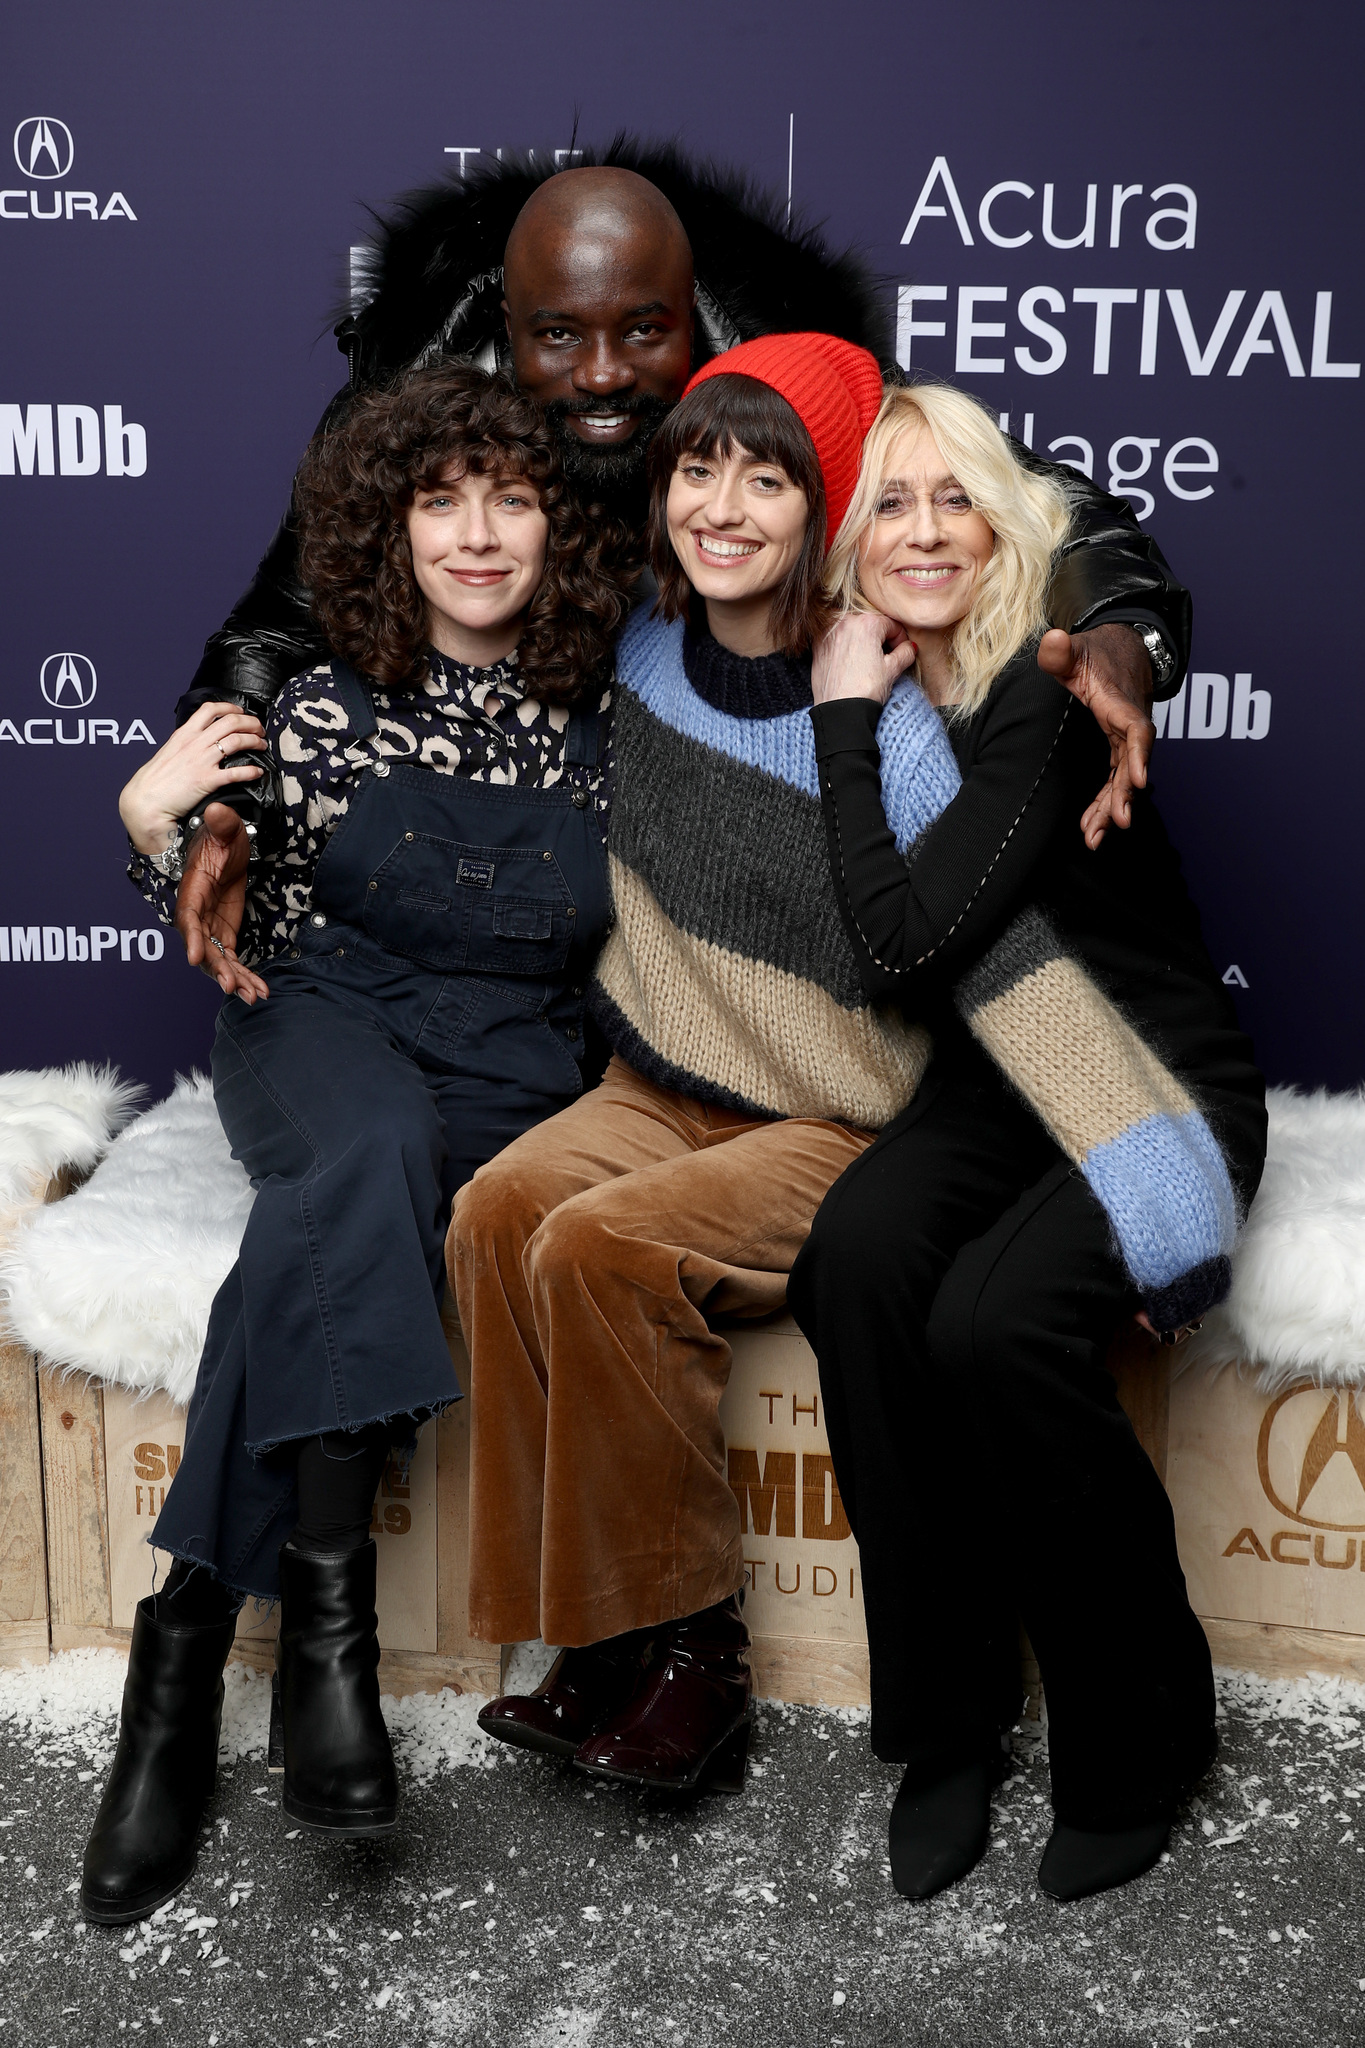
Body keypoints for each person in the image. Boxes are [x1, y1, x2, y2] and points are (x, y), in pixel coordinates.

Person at [449, 334, 1221, 1801]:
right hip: (653, 1083)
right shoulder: (632, 653)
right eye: (697, 466)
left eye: (769, 477)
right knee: (498, 1212)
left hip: (831, 1124)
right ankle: (587, 1636)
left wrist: (1162, 1200)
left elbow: (1020, 990)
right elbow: (412, 586)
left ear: (832, 514)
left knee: (602, 1249)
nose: (722, 506)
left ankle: (690, 1656)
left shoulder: (887, 725)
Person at [81, 364, 628, 1925]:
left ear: (556, 527)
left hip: (515, 1050)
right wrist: (148, 826)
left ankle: (174, 1676)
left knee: (317, 1230)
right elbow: (212, 875)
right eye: (435, 501)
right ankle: (335, 1635)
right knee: (371, 1138)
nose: (473, 534)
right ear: (387, 532)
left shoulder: (615, 723)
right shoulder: (314, 701)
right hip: (314, 1019)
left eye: (507, 498)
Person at [169, 144, 1188, 905]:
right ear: (512, 336)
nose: (605, 375)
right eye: (562, 336)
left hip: (715, 810)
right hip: (500, 825)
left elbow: (1032, 496)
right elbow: (270, 633)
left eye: (643, 332)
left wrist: (1122, 629)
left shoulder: (762, 376)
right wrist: (226, 810)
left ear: (688, 321)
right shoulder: (429, 407)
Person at [785, 380, 1266, 1902]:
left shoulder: (1042, 695)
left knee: (995, 1328)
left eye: (957, 500)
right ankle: (949, 1725)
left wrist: (846, 722)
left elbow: (901, 944)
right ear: (848, 546)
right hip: (1004, 1077)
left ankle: (1142, 1731)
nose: (925, 532)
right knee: (858, 1259)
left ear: (1009, 529)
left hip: (1147, 1079)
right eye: (891, 505)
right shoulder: (896, 685)